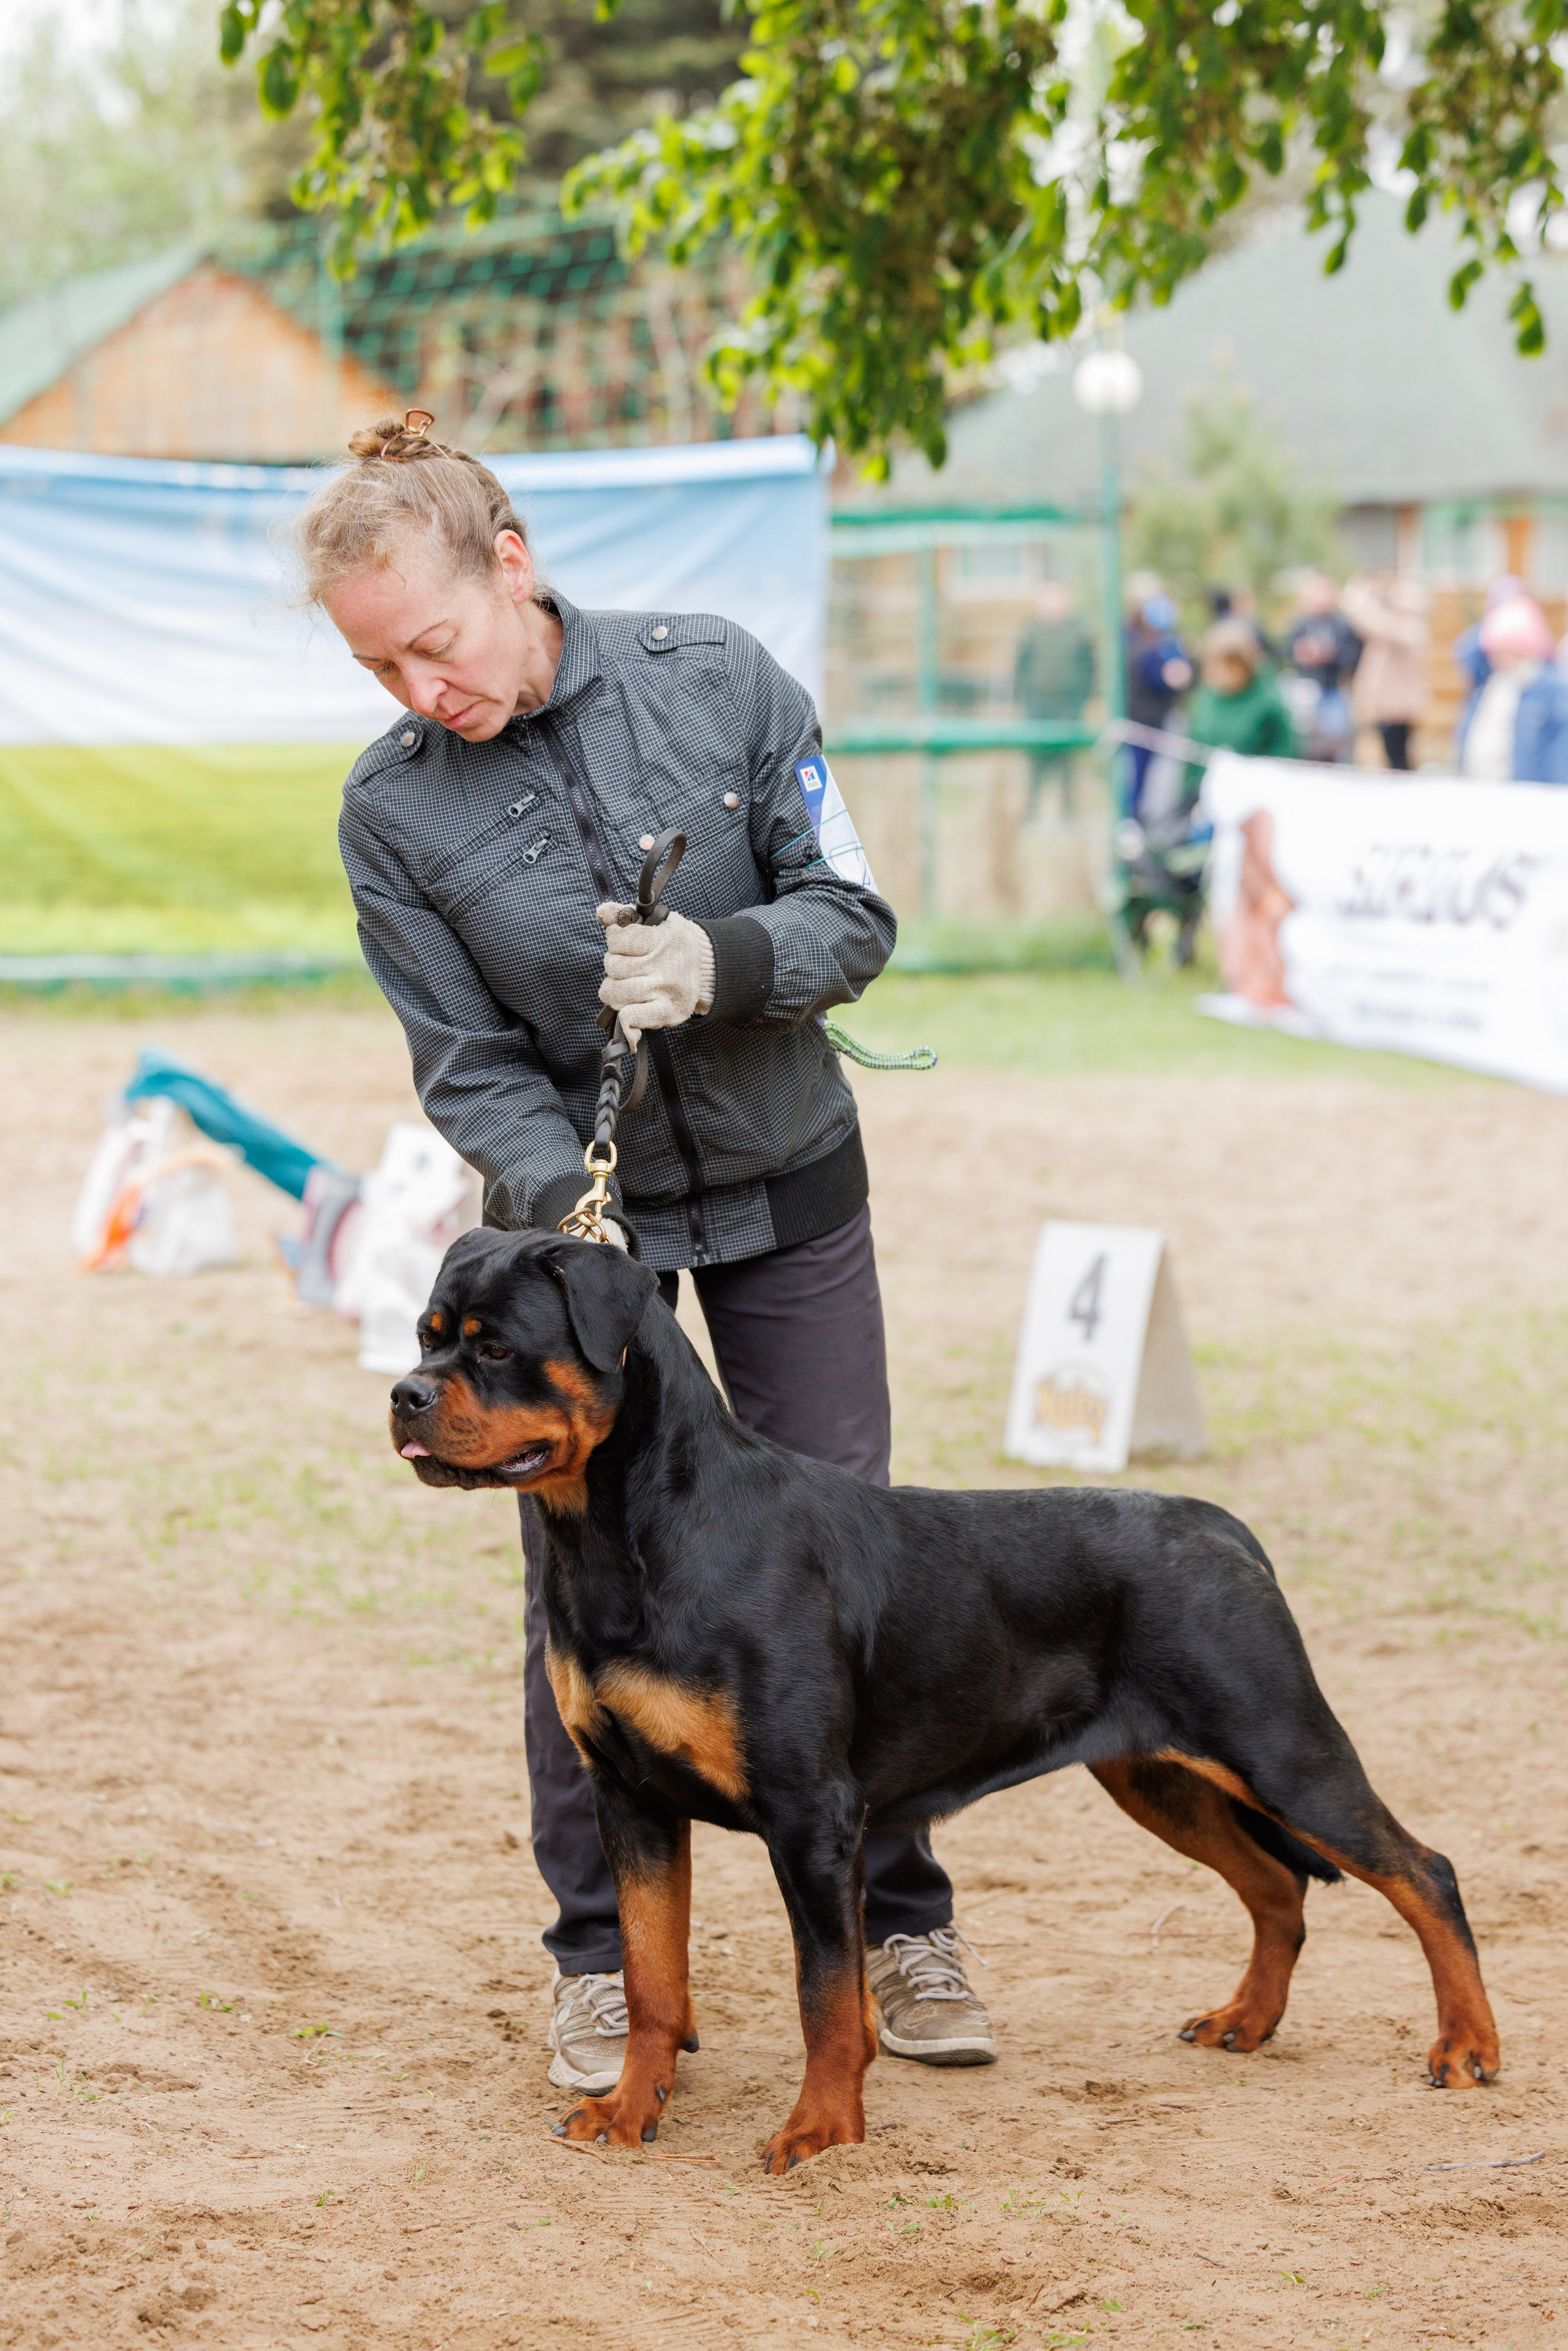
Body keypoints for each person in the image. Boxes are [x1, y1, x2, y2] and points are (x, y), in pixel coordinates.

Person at [296, 412, 997, 2098]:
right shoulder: (391, 812)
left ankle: (900, 1917)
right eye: (382, 665)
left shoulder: (722, 676)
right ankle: (604, 1961)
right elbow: (462, 1057)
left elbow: (856, 912)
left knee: (845, 1567)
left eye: (438, 642)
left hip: (788, 1186)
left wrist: (723, 958)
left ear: (511, 564)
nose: (422, 692)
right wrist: (564, 1199)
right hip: (584, 1246)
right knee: (585, 1587)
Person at [1455, 596, 1568, 783]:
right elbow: (1466, 653)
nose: (1494, 657)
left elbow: (1559, 755)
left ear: (1522, 648)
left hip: (1522, 791)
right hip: (1480, 782)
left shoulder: (1549, 689)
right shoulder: (1490, 681)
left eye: (1502, 650)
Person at [1013, 579, 1095, 815]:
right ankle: (1032, 811)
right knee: (1036, 764)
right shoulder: (1031, 632)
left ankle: (1068, 813)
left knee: (1067, 765)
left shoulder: (1078, 632)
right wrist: (1026, 702)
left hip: (1068, 709)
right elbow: (1020, 670)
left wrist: (1080, 703)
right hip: (1038, 708)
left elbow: (1090, 670)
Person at [1340, 573, 1430, 771]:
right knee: (1392, 757)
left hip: (1399, 709)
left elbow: (1365, 617)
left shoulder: (1406, 626)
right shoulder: (1395, 625)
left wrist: (1360, 594)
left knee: (1399, 760)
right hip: (1387, 706)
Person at [1186, 619, 1298, 766]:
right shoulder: (1204, 698)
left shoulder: (1268, 701)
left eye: (1232, 666)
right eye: (1217, 665)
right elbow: (1195, 747)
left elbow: (1286, 750)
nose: (1224, 674)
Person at [1123, 591, 1194, 818]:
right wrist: (1166, 676)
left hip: (1161, 716)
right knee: (1134, 772)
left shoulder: (1171, 641)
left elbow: (1183, 670)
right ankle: (1130, 815)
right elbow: (1145, 675)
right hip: (1137, 716)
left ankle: (1141, 816)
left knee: (1156, 775)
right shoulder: (1132, 641)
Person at [1281, 572, 1361, 763]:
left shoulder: (1341, 625)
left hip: (1332, 691)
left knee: (1339, 744)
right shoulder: (1301, 624)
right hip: (1306, 693)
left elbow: (1353, 657)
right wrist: (1301, 653)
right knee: (1306, 746)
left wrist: (1329, 655)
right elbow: (1286, 651)